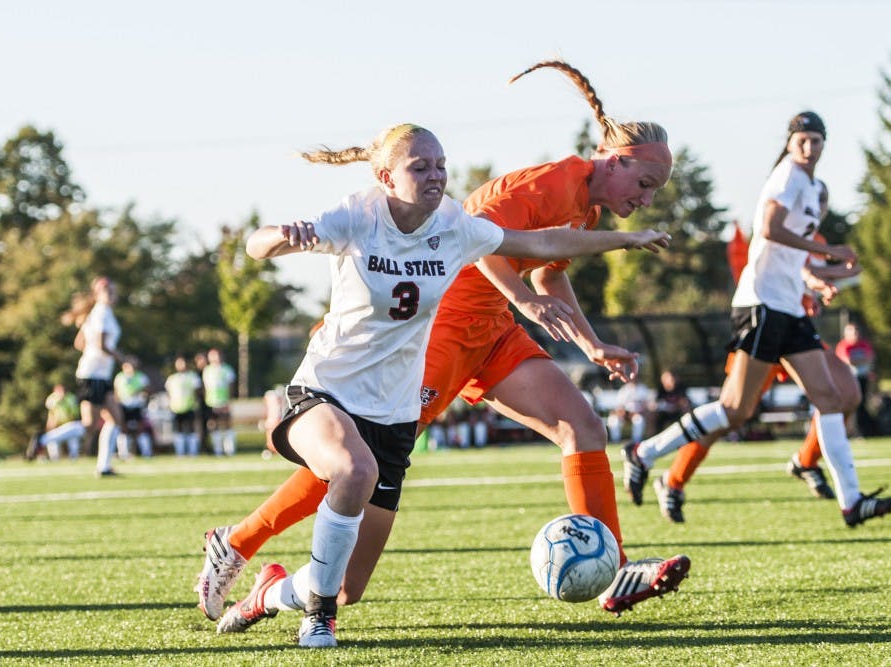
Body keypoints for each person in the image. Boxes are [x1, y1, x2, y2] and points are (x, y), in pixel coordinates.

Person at [195, 120, 674, 649]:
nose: (648, 199)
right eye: (646, 183)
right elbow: (490, 242)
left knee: (581, 426)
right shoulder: (544, 183)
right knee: (352, 463)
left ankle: (614, 570)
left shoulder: (574, 208)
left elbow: (544, 261)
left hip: (490, 332)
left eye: (440, 165)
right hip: (439, 332)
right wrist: (526, 300)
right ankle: (238, 542)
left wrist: (590, 338)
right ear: (616, 161)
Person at [622, 111, 891, 529]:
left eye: (816, 141)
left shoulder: (808, 186)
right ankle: (644, 455)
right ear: (790, 143)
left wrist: (827, 274)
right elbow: (769, 229)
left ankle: (851, 500)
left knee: (833, 399)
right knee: (735, 410)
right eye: (802, 140)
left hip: (787, 308)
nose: (809, 148)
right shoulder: (788, 177)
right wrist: (832, 253)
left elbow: (796, 259)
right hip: (761, 305)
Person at [63, 277, 127, 477]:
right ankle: (42, 441)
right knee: (89, 425)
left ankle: (104, 466)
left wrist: (91, 352)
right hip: (93, 375)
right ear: (98, 294)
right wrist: (124, 359)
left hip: (100, 374)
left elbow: (79, 343)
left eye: (113, 292)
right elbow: (101, 345)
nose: (112, 295)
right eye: (109, 292)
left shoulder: (98, 313)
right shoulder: (100, 312)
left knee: (115, 419)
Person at [835, 323, 877, 436]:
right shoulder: (843, 346)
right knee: (850, 405)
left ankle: (864, 431)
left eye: (856, 331)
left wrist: (858, 361)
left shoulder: (864, 344)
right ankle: (847, 431)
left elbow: (869, 358)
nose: (855, 334)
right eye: (852, 332)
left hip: (863, 378)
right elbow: (849, 361)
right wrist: (861, 361)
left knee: (862, 404)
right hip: (849, 380)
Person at [114, 359, 154, 458]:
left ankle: (146, 452)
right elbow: (116, 392)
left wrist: (138, 392)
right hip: (123, 406)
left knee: (140, 429)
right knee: (123, 429)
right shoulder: (119, 377)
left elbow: (148, 389)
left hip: (137, 406)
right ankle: (123, 453)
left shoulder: (140, 376)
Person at [35, 383, 86, 461]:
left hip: (70, 425)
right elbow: (51, 415)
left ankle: (73, 457)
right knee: (52, 440)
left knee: (72, 438)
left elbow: (74, 416)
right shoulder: (52, 399)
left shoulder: (71, 398)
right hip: (58, 426)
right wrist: (50, 426)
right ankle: (54, 458)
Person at [202, 348, 237, 456]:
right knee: (213, 425)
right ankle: (218, 450)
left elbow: (231, 386)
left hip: (224, 401)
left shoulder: (227, 369)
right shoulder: (207, 370)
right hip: (211, 402)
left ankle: (229, 450)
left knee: (226, 424)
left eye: (216, 355)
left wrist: (228, 401)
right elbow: (205, 387)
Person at [165, 355, 201, 456]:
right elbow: (169, 393)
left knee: (191, 429)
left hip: (190, 407)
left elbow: (197, 392)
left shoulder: (193, 377)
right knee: (178, 430)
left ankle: (193, 452)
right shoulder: (172, 378)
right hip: (176, 408)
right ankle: (180, 452)